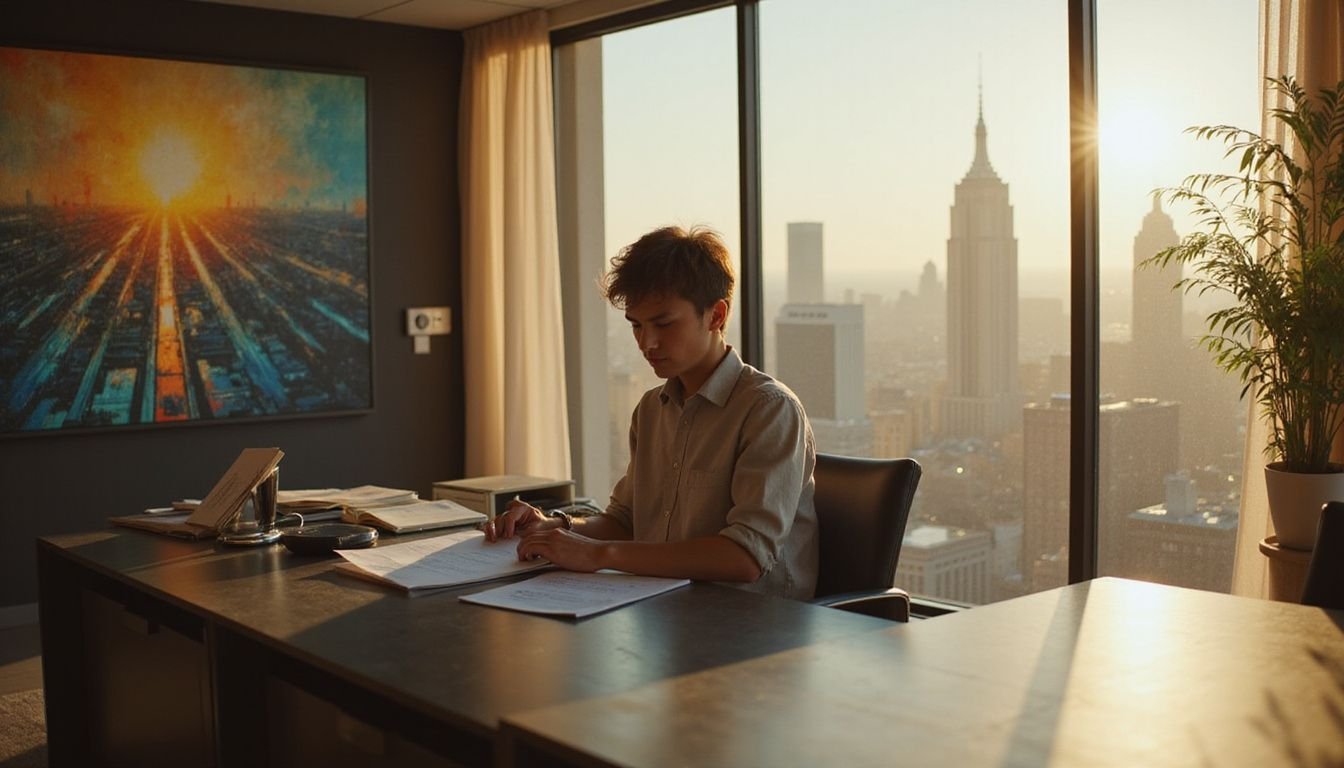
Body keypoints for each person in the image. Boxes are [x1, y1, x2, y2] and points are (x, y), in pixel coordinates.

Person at [484, 225, 818, 599]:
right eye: (636, 326)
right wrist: (554, 527)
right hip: (663, 608)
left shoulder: (769, 410)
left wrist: (598, 554)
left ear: (716, 315)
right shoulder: (651, 410)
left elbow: (745, 557)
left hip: (756, 625)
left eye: (663, 323)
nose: (647, 343)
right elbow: (626, 521)